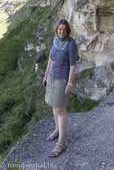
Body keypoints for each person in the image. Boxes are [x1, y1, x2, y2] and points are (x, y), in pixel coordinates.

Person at [43, 19, 78, 158]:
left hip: (62, 80)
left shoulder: (71, 45)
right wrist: (46, 75)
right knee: (53, 105)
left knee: (60, 109)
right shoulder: (54, 40)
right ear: (56, 30)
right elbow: (50, 59)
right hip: (51, 77)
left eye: (64, 29)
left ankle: (61, 143)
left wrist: (70, 83)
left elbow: (72, 66)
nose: (61, 31)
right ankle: (57, 129)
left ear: (67, 30)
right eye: (59, 29)